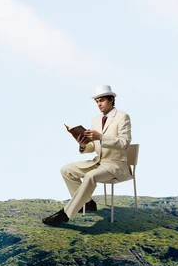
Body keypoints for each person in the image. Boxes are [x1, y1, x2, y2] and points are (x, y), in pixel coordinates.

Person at [42, 85, 132, 226]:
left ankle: (66, 214)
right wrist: (83, 145)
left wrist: (101, 137)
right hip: (98, 162)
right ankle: (88, 203)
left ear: (112, 99)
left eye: (102, 100)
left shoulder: (122, 117)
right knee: (66, 170)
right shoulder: (95, 120)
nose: (99, 104)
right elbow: (93, 146)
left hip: (115, 165)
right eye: (96, 101)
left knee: (90, 176)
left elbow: (124, 143)